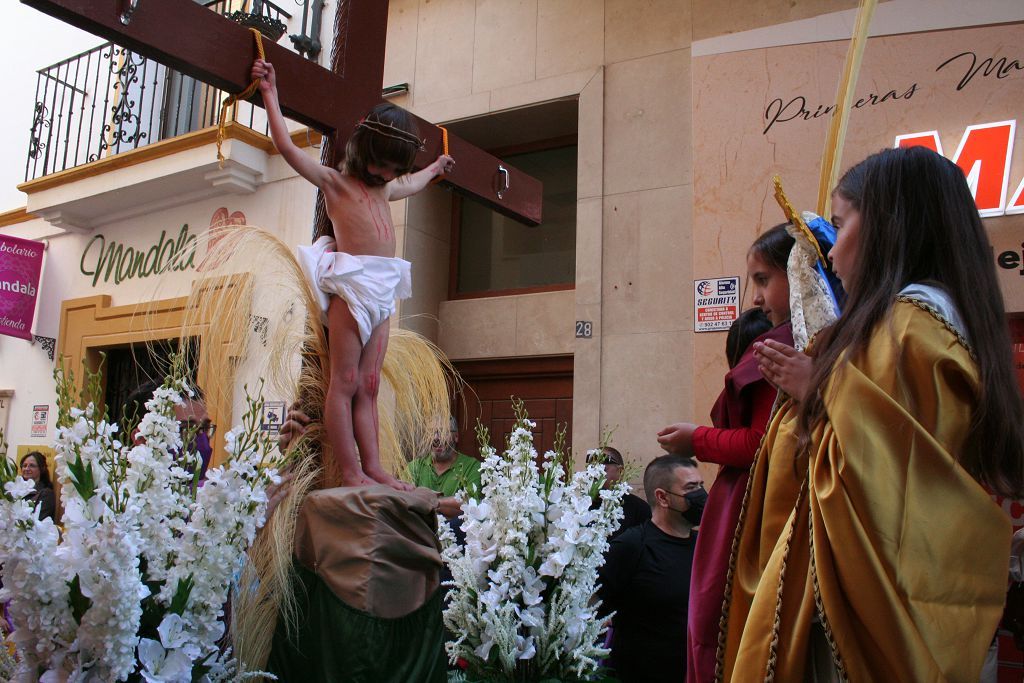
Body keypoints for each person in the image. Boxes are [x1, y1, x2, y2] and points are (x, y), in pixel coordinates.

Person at [719, 146, 1024, 682]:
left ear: (888, 224)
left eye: (840, 224)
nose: (831, 251)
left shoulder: (908, 324)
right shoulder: (936, 316)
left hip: (870, 618)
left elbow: (893, 482)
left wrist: (817, 391)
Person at [251, 59, 454, 491]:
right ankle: (350, 469)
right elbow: (288, 148)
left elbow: (412, 183)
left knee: (370, 382)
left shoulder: (387, 188)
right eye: (379, 165)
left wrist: (435, 169)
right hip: (352, 288)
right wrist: (270, 93)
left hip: (384, 291)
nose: (384, 176)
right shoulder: (336, 184)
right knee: (343, 381)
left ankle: (375, 466)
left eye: (392, 170)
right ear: (364, 150)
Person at [659, 280, 794, 681]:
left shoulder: (771, 352)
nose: (756, 296)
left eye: (764, 279)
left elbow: (759, 442)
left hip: (755, 506)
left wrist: (697, 438)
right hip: (752, 499)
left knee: (720, 614)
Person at [598, 454, 704, 681]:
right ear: (662, 497)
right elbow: (591, 608)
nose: (701, 495)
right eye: (691, 487)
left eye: (701, 486)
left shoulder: (705, 546)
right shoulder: (631, 546)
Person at [408, 417, 481, 501]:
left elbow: (471, 502)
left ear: (456, 436)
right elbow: (402, 497)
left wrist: (425, 501)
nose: (436, 438)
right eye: (431, 432)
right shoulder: (415, 467)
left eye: (443, 432)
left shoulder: (472, 467)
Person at [588, 446, 650, 539]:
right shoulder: (581, 505)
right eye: (591, 469)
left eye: (603, 469)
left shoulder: (639, 509)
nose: (595, 475)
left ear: (620, 471)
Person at [19, 451, 55, 521]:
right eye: (24, 465)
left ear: (42, 469)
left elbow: (39, 520)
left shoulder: (46, 493)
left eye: (32, 465)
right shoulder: (17, 491)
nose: (27, 469)